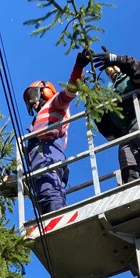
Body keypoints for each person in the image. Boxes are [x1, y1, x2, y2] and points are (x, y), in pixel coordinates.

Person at [22, 50, 90, 215]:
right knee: (45, 194)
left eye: (32, 95)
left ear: (44, 91)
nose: (32, 103)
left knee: (50, 192)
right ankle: (52, 218)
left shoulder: (55, 104)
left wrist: (78, 66)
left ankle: (58, 218)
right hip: (38, 161)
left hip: (48, 155)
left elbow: (70, 90)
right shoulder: (37, 121)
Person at [90, 51, 140, 183]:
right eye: (107, 71)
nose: (110, 71)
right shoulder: (110, 93)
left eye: (112, 67)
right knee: (129, 172)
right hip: (125, 133)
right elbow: (110, 134)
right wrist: (95, 105)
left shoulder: (130, 76)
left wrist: (119, 60)